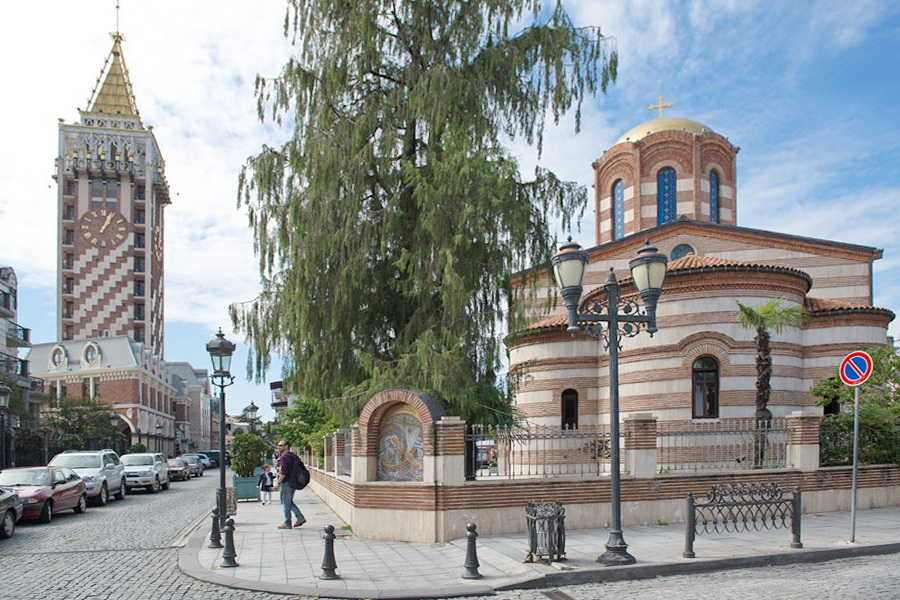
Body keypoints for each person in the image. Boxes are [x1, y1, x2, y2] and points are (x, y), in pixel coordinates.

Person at [273, 440, 306, 529]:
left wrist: (278, 483)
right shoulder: (293, 456)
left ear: (286, 446)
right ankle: (298, 517)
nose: (278, 447)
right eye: (278, 445)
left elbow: (284, 472)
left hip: (286, 482)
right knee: (288, 501)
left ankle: (288, 522)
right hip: (293, 482)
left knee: (286, 502)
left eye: (280, 445)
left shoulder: (285, 457)